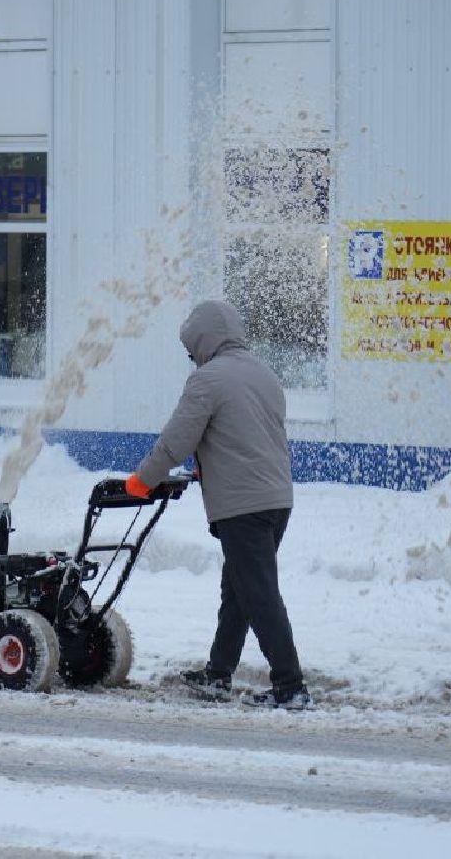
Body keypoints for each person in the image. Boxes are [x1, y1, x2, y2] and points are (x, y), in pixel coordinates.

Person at [126, 300, 309, 710]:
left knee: (258, 595)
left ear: (203, 341)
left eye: (191, 350)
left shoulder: (207, 380)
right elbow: (246, 436)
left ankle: (290, 686)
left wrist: (141, 482)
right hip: (277, 499)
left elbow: (175, 442)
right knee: (240, 590)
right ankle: (218, 674)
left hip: (244, 506)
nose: (192, 358)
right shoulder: (262, 373)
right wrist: (212, 464)